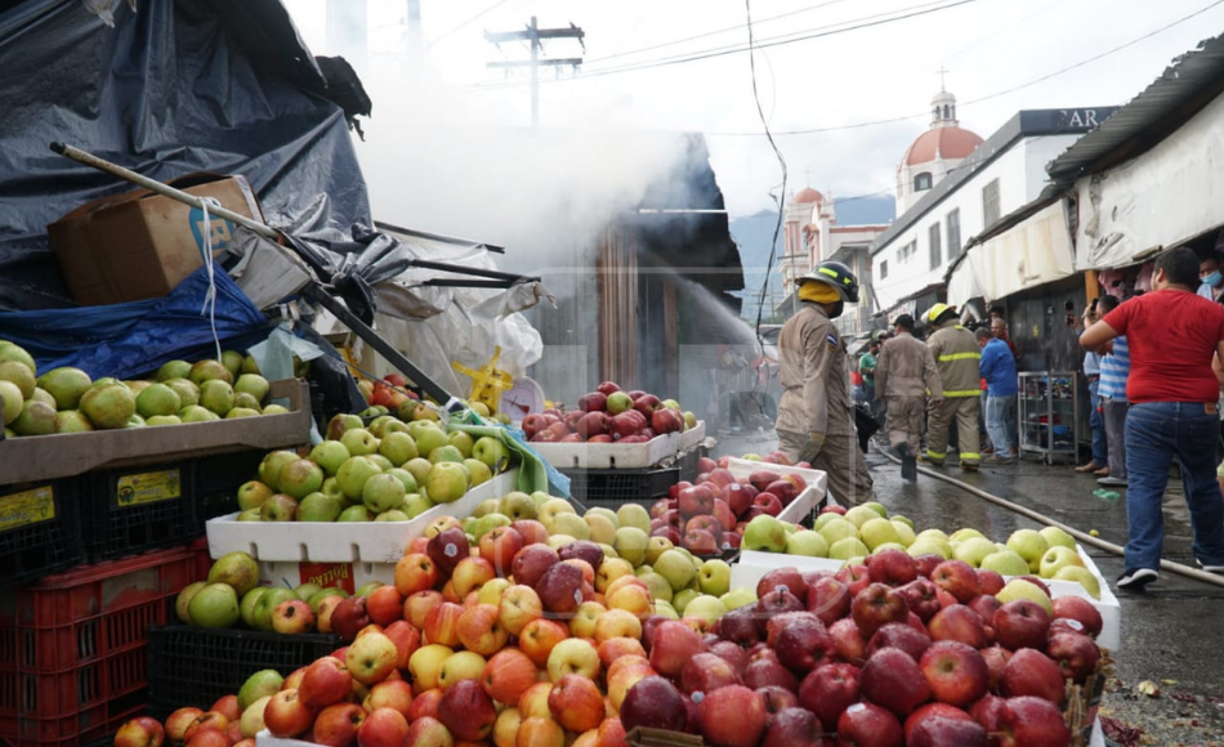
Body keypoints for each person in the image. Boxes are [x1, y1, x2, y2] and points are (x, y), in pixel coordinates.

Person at [1079, 246, 1224, 590]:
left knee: (1144, 486)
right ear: (1195, 278)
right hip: (1200, 408)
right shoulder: (1214, 311)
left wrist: (1104, 344)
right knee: (1203, 483)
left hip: (1147, 409)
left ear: (1159, 274)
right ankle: (1215, 555)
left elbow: (1087, 339)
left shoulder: (1137, 306)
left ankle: (1142, 563)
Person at [775, 260, 874, 505]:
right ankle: (882, 540)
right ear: (832, 296)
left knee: (793, 496)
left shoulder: (790, 325)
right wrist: (817, 432)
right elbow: (815, 378)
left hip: (791, 418)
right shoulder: (821, 326)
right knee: (859, 495)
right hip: (824, 422)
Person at [875, 314, 943, 481]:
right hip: (916, 394)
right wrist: (937, 395)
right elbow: (932, 371)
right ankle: (911, 470)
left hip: (896, 394)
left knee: (897, 427)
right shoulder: (922, 346)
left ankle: (902, 448)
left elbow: (881, 370)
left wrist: (880, 392)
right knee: (914, 429)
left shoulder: (889, 345)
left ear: (897, 328)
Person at [922, 303, 983, 471]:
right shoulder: (970, 335)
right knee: (969, 423)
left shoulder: (937, 337)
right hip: (971, 389)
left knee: (938, 423)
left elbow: (927, 365)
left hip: (945, 391)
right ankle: (971, 460)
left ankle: (936, 456)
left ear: (937, 321)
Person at [1096, 294, 1130, 488]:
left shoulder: (1117, 334)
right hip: (1116, 390)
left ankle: (1119, 472)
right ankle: (1118, 469)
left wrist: (1087, 319)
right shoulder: (1122, 332)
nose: (1099, 319)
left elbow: (1092, 342)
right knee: (1116, 433)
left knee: (1116, 434)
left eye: (1101, 315)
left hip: (1117, 391)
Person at [1075, 301, 1110, 476]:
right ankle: (1099, 459)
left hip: (1101, 380)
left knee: (1106, 424)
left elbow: (1089, 333)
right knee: (1096, 423)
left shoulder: (1105, 329)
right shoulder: (1095, 329)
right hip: (1093, 382)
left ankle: (1110, 463)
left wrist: (1087, 316)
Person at [981, 318, 1019, 464]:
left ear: (983, 339)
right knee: (1003, 420)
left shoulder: (989, 349)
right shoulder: (1003, 344)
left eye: (980, 343)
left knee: (992, 422)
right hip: (1010, 388)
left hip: (998, 389)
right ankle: (1008, 448)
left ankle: (1002, 453)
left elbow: (983, 370)